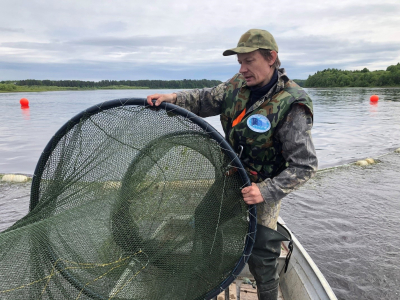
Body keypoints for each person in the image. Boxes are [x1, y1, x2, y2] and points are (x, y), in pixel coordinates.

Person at [147, 29, 318, 300]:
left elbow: (305, 166)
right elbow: (204, 99)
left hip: (264, 188)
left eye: (249, 61)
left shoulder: (292, 103)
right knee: (204, 221)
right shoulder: (236, 85)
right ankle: (213, 277)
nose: (242, 68)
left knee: (262, 258)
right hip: (232, 176)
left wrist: (265, 191)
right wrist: (173, 97)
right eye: (239, 62)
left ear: (271, 58)